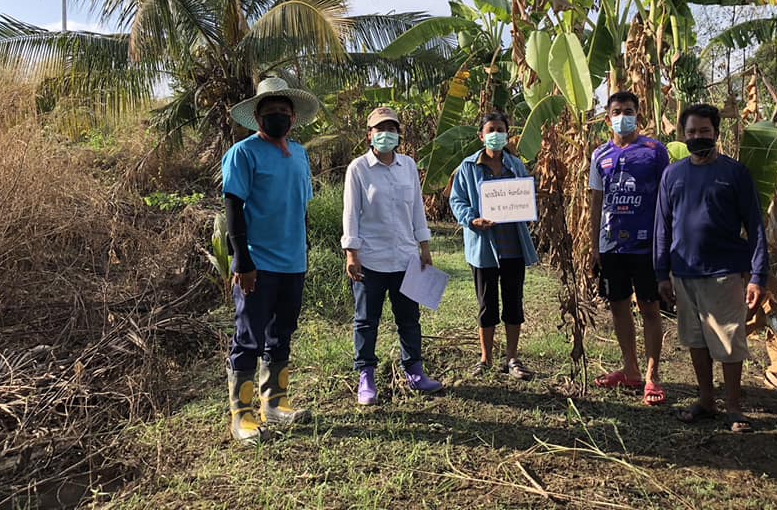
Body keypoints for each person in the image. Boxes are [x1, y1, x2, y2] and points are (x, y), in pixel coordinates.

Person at [654, 103, 769, 433]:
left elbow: (756, 226)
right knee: (696, 340)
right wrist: (662, 273)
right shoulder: (672, 175)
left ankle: (734, 407)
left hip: (723, 271)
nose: (697, 137)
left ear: (716, 133)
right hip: (683, 272)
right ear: (683, 135)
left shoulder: (734, 173)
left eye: (704, 131)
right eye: (691, 132)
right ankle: (706, 400)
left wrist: (758, 275)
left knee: (729, 342)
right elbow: (662, 226)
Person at [222, 76, 318, 445]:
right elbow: (233, 207)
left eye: (283, 111)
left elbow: (301, 207)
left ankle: (275, 404)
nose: (277, 115)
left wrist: (304, 249)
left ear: (293, 118)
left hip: (293, 262)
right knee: (248, 338)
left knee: (282, 335)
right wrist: (241, 261)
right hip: (258, 264)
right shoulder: (243, 153)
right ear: (257, 117)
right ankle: (241, 416)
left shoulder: (300, 154)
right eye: (270, 111)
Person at [341, 106, 442, 405]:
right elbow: (351, 214)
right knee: (366, 321)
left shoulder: (408, 166)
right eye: (380, 128)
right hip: (370, 259)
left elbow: (416, 210)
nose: (386, 133)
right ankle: (366, 377)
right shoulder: (358, 168)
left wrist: (424, 248)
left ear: (399, 134)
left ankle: (415, 371)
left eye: (392, 128)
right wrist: (351, 254)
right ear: (369, 135)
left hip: (405, 258)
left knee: (409, 319)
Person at [589, 91, 670, 405]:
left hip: (646, 246)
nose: (622, 116)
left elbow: (668, 197)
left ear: (638, 114)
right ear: (607, 118)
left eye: (628, 110)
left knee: (650, 308)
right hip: (611, 247)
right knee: (618, 306)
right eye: (616, 111)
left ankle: (652, 376)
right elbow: (596, 201)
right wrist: (595, 245)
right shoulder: (600, 155)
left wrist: (667, 242)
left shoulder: (654, 151)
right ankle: (630, 369)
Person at [449, 111, 539, 379]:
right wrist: (471, 219)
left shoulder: (516, 165)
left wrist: (526, 205)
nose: (496, 135)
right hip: (483, 248)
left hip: (513, 246)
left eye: (501, 130)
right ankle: (486, 358)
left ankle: (512, 359)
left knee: (514, 302)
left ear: (507, 135)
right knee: (487, 304)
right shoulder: (468, 167)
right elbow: (457, 201)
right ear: (481, 135)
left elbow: (526, 195)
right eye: (491, 130)